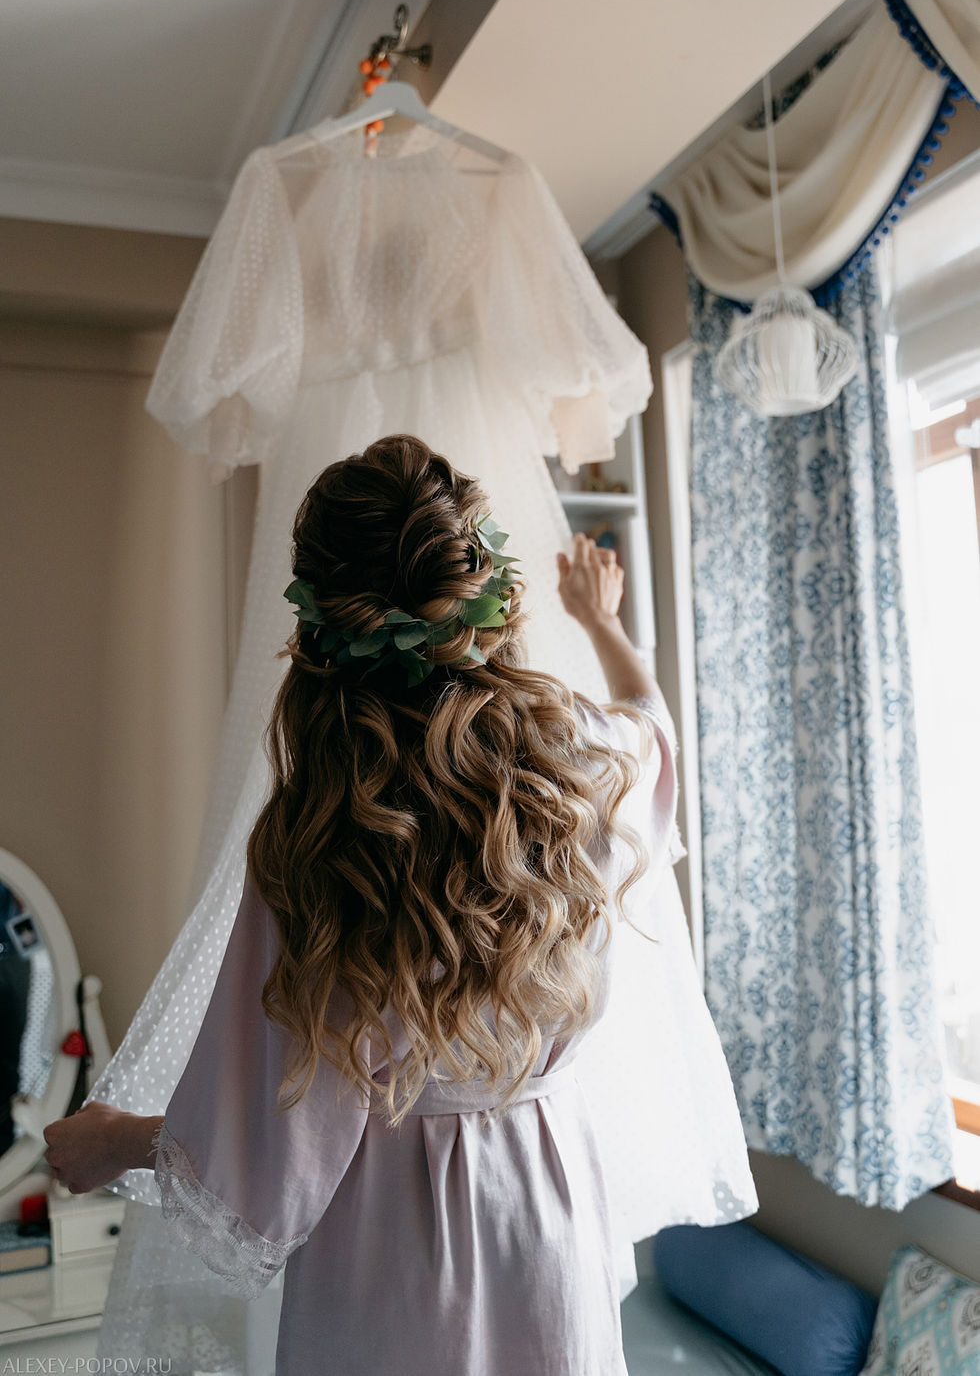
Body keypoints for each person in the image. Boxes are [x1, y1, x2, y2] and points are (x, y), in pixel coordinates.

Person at [43, 433, 681, 1376]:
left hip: (389, 1251)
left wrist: (116, 1142)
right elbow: (652, 723)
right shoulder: (584, 764)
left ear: (318, 631)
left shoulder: (314, 843)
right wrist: (602, 620)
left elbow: (259, 1151)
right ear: (484, 595)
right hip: (548, 1219)